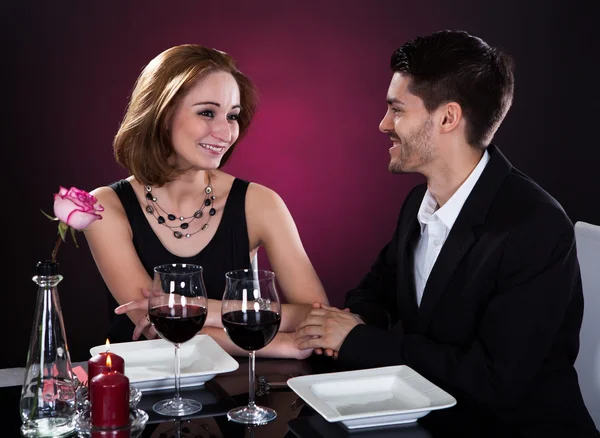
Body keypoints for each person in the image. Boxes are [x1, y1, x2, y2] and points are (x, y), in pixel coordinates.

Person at [294, 30, 599, 436]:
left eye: (397, 110)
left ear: (448, 118)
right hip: (437, 421)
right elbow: (376, 291)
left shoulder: (534, 227)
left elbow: (494, 381)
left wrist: (357, 339)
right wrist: (351, 320)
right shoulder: (418, 205)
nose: (383, 123)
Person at [83, 44, 326, 359]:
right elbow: (157, 327)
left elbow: (318, 316)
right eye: (207, 113)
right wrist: (285, 345)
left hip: (239, 392)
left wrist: (205, 310)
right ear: (162, 113)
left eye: (232, 116)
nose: (226, 132)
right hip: (142, 394)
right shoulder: (105, 206)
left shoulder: (260, 203)